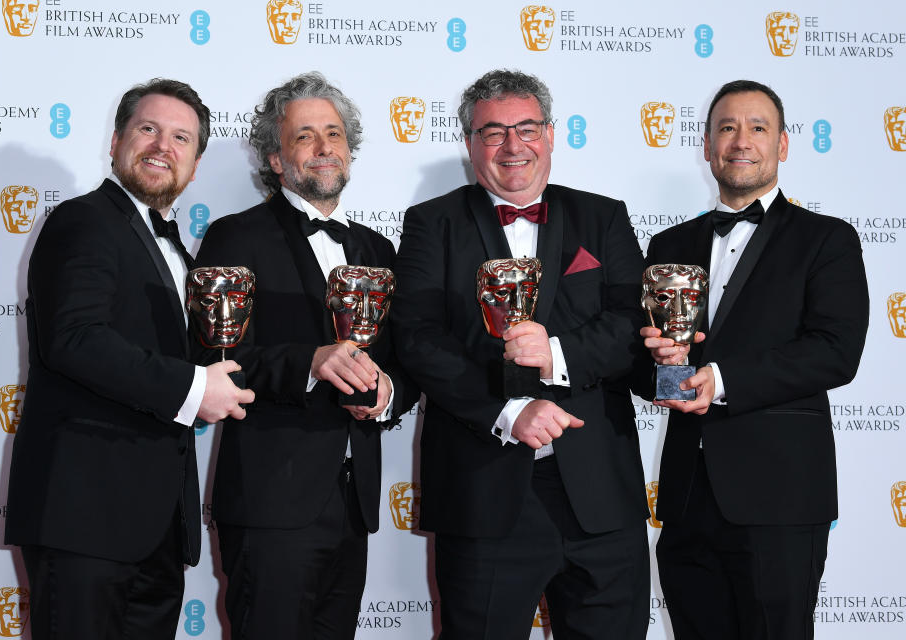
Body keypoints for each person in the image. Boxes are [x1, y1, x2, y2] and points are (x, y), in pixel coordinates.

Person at [392, 69, 650, 639]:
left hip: (601, 497)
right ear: (469, 144)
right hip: (483, 492)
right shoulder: (431, 224)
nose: (513, 146)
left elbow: (634, 323)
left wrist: (556, 352)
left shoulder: (603, 217)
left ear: (552, 135)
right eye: (493, 132)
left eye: (527, 128)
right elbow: (417, 338)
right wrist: (507, 412)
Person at [4, 78, 254, 639]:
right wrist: (194, 390)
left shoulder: (180, 251)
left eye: (181, 138)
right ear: (117, 140)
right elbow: (74, 338)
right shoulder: (83, 221)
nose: (163, 146)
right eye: (149, 129)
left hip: (158, 527)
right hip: (84, 519)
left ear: (194, 162)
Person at [636, 79, 869, 639]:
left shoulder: (826, 239)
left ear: (783, 145)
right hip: (688, 497)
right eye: (727, 128)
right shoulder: (668, 246)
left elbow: (835, 353)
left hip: (780, 499)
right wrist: (662, 370)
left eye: (757, 128)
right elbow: (647, 364)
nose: (741, 141)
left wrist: (722, 378)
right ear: (708, 145)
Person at [193, 71, 417, 640]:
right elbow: (217, 356)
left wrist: (388, 396)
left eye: (335, 134)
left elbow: (407, 357)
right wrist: (310, 362)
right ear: (274, 158)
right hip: (271, 497)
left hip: (354, 500)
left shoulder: (377, 249)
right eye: (304, 136)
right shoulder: (234, 237)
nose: (324, 149)